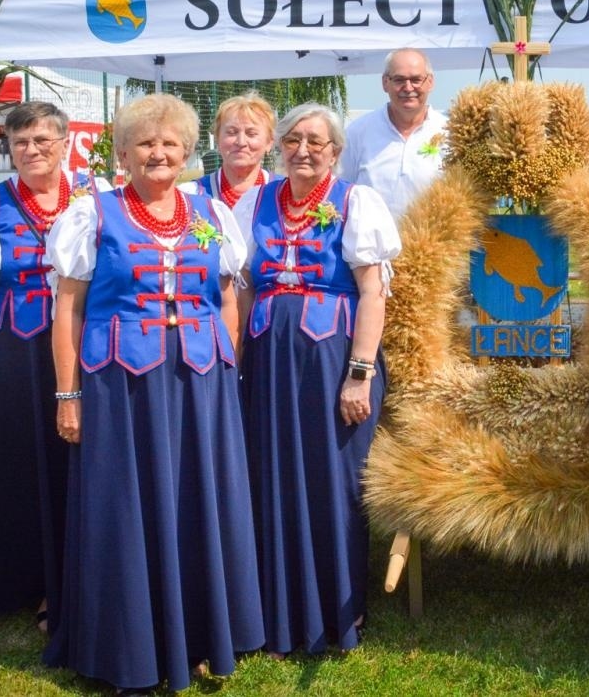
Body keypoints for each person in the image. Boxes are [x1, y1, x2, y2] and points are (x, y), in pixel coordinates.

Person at [43, 93, 263, 694]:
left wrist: (227, 374)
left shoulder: (210, 215)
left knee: (196, 498)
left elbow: (225, 300)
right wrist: (69, 395)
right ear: (122, 153)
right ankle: (128, 644)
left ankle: (195, 635)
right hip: (121, 385)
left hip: (200, 381)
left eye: (171, 144)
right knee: (125, 503)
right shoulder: (92, 215)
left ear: (189, 153)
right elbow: (67, 310)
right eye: (145, 143)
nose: (158, 153)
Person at [234, 102, 400, 656]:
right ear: (278, 147)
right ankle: (275, 611)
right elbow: (243, 288)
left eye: (316, 142)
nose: (303, 150)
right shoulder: (254, 202)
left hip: (333, 362)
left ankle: (337, 615)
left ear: (335, 151)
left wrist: (359, 374)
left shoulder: (356, 202)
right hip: (268, 361)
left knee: (332, 483)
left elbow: (373, 292)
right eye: (293, 140)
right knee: (272, 477)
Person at [0, 101, 105, 633]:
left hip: (81, 349)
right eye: (21, 142)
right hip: (12, 351)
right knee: (19, 462)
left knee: (75, 460)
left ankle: (73, 577)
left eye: (44, 140)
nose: (32, 150)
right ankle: (21, 578)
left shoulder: (95, 202)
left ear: (66, 144)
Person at [337, 48, 446, 218]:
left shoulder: (450, 132)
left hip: (436, 242)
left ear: (430, 82)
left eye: (416, 79)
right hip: (371, 244)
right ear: (385, 83)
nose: (408, 87)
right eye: (399, 79)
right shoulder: (357, 133)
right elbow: (339, 192)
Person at [182, 92, 276, 208]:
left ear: (269, 142)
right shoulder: (190, 195)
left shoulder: (285, 192)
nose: (241, 142)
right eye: (232, 132)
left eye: (251, 134)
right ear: (217, 137)